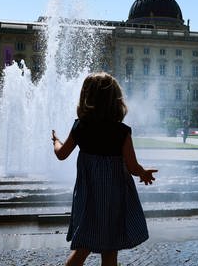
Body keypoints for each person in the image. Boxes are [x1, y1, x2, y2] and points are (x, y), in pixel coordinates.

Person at [51, 72, 158, 266]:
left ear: (87, 98)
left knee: (82, 248)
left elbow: (61, 154)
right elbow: (132, 166)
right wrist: (143, 173)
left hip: (89, 197)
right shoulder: (122, 131)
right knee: (110, 249)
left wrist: (56, 142)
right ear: (116, 101)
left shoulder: (80, 127)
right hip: (114, 198)